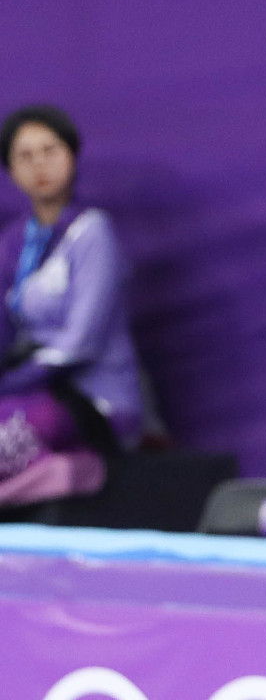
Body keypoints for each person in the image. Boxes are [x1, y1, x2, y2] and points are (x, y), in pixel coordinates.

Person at [0, 105, 145, 500]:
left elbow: (80, 344)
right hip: (25, 398)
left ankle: (76, 470)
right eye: (24, 157)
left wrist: (12, 380)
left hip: (93, 402)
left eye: (50, 150)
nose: (39, 165)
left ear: (72, 156)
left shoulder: (93, 233)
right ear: (10, 171)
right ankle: (60, 476)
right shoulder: (13, 243)